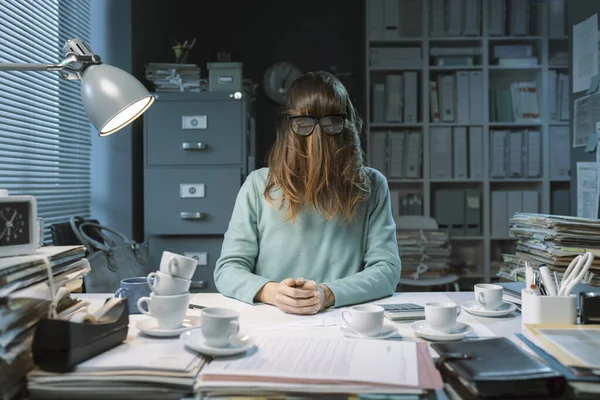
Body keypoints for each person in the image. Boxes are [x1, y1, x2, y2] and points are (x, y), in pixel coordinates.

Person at [214, 71, 401, 315]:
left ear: (347, 125)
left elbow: (386, 269)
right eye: (305, 125)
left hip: (342, 319)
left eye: (330, 124)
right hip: (271, 320)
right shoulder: (258, 185)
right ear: (291, 127)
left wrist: (328, 293)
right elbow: (228, 269)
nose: (318, 142)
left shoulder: (372, 185)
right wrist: (272, 292)